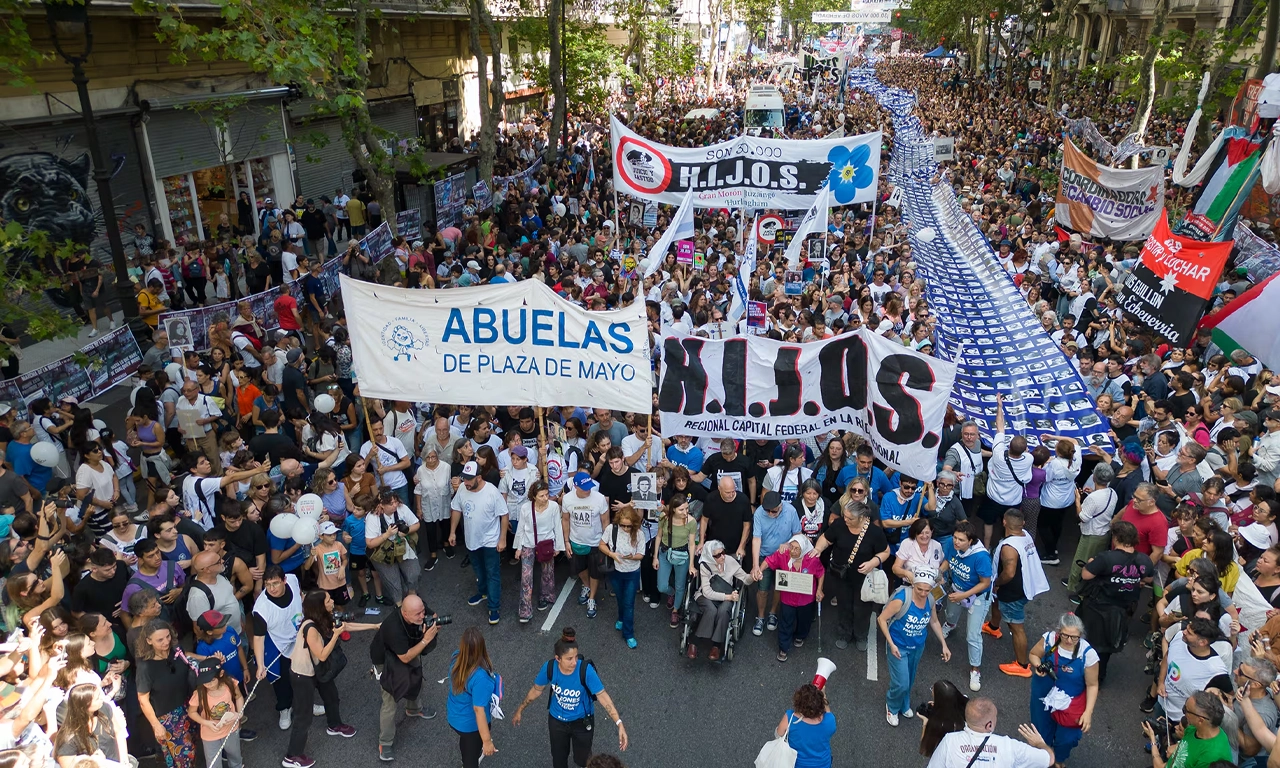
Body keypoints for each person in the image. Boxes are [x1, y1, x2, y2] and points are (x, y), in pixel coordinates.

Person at [283, 589, 378, 768]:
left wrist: (374, 626)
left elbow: (345, 626)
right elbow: (323, 654)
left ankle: (334, 725)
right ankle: (292, 755)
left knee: (332, 697)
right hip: (303, 675)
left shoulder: (324, 617)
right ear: (320, 606)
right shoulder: (310, 627)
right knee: (303, 716)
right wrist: (335, 635)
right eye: (328, 599)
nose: (332, 601)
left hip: (317, 669)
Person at [512, 628, 629, 768]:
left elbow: (602, 696)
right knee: (559, 758)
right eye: (569, 659)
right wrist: (520, 709)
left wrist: (619, 723)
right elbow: (536, 690)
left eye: (576, 657)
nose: (574, 662)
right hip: (557, 723)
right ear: (557, 659)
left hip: (582, 723)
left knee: (584, 760)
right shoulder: (549, 668)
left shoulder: (585, 670)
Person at [1077, 520, 1155, 681]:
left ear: (1116, 538)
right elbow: (1148, 578)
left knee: (1086, 639)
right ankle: (1099, 675)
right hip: (1122, 610)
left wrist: (1090, 564)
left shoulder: (1106, 558)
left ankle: (1081, 672)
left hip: (1096, 607)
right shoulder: (1144, 560)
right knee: (1106, 645)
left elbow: (1086, 575)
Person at [812, 500, 890, 651]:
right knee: (844, 605)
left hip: (863, 578)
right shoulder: (840, 524)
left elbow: (885, 551)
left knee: (863, 608)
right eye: (845, 516)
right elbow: (826, 539)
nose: (845, 520)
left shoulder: (874, 532)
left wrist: (873, 562)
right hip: (841, 575)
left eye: (850, 518)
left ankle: (861, 635)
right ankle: (844, 634)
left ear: (861, 518)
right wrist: (818, 549)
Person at [371, 595, 441, 762]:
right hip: (386, 659)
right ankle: (385, 743)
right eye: (418, 614)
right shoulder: (393, 627)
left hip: (406, 648)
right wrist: (426, 639)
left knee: (416, 675)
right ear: (405, 613)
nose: (422, 616)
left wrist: (432, 623)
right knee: (390, 700)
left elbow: (435, 615)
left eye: (423, 612)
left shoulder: (418, 608)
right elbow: (405, 658)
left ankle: (414, 709)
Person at [879, 566, 952, 726]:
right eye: (920, 589)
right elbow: (882, 619)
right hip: (898, 645)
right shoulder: (901, 599)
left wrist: (944, 645)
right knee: (901, 682)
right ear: (913, 585)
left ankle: (904, 704)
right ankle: (892, 706)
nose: (924, 593)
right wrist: (891, 644)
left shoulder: (931, 599)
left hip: (917, 646)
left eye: (927, 590)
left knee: (910, 678)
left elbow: (933, 621)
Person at [984, 508, 1050, 678]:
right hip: (1024, 584)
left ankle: (1022, 664)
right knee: (996, 601)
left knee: (1016, 626)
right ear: (1023, 524)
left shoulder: (1008, 547)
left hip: (1014, 591)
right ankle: (993, 626)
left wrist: (996, 582)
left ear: (1004, 522)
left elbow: (1009, 573)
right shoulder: (1025, 535)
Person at [1026, 613, 1099, 765]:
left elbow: (1092, 685)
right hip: (1043, 694)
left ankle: (1058, 759)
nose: (1069, 641)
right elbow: (1033, 654)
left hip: (1070, 703)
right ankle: (1044, 757)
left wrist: (1088, 712)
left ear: (1081, 636)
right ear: (1058, 631)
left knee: (1067, 737)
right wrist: (1038, 665)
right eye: (1065, 635)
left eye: (1074, 637)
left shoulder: (1088, 655)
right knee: (1041, 730)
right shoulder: (1049, 640)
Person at [450, 460, 509, 624]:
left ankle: (493, 607)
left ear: (480, 477)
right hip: (471, 539)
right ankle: (483, 592)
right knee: (478, 569)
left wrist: (502, 539)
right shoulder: (462, 488)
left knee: (492, 573)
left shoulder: (492, 492)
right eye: (464, 478)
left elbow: (504, 515)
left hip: (490, 541)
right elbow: (456, 509)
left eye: (469, 479)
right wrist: (452, 532)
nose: (466, 482)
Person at [136, 619, 197, 768]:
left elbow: (186, 656)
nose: (166, 642)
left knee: (192, 748)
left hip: (189, 705)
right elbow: (143, 699)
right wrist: (156, 725)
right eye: (160, 640)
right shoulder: (145, 667)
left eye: (168, 636)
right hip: (168, 716)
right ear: (149, 641)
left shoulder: (175, 649)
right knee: (184, 756)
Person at [926, 697, 1054, 768]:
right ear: (989, 725)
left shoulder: (949, 741)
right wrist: (1039, 743)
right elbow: (1048, 759)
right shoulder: (1009, 746)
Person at [942, 521, 993, 692]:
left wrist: (963, 596)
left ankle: (975, 669)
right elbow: (948, 561)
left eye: (961, 540)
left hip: (976, 597)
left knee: (972, 635)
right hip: (956, 589)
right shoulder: (951, 544)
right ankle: (950, 625)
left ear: (970, 541)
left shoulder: (981, 557)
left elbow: (985, 583)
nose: (956, 542)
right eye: (955, 537)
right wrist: (937, 572)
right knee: (950, 615)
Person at [252, 568, 304, 731]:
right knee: (282, 680)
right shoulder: (261, 609)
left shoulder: (293, 579)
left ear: (284, 580)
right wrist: (260, 665)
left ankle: (305, 702)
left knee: (303, 674)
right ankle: (284, 708)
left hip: (298, 636)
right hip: (277, 645)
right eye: (267, 585)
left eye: (275, 583)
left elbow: (300, 595)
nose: (272, 588)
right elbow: (258, 638)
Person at [761, 534, 825, 662]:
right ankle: (783, 648)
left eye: (797, 549)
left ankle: (800, 636)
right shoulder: (783, 554)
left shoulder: (812, 559)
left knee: (804, 620)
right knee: (786, 621)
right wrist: (759, 569)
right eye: (792, 547)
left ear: (804, 549)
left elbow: (821, 572)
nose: (793, 551)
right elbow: (769, 561)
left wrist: (819, 589)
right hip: (787, 598)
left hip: (806, 599)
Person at [688, 539, 754, 661]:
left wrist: (753, 576)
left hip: (726, 593)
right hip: (706, 595)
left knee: (724, 610)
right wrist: (727, 597)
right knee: (711, 610)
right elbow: (707, 592)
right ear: (710, 556)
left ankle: (716, 646)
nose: (722, 556)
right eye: (718, 555)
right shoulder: (705, 564)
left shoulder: (730, 561)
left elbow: (745, 578)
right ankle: (694, 641)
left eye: (723, 552)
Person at [447, 626, 499, 768]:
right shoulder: (481, 677)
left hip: (455, 717)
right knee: (471, 760)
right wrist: (487, 741)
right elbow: (478, 710)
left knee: (466, 742)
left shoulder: (455, 658)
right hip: (471, 725)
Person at [751, 489, 802, 636]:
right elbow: (756, 538)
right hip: (765, 555)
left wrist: (788, 544)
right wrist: (755, 565)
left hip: (784, 557)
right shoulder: (760, 513)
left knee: (780, 587)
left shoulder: (791, 511)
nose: (769, 514)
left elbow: (797, 534)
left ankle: (773, 612)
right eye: (767, 511)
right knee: (762, 589)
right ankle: (760, 617)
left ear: (781, 506)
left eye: (773, 511)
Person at [1143, 690, 1232, 768]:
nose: (1184, 713)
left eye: (1186, 710)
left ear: (1200, 720)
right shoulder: (1196, 729)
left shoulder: (1211, 757)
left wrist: (1153, 740)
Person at [515, 480, 564, 623]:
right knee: (526, 578)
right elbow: (521, 528)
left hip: (547, 544)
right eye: (542, 495)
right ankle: (525, 610)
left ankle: (546, 597)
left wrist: (558, 547)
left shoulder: (554, 507)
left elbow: (557, 527)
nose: (545, 498)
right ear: (534, 496)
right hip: (528, 544)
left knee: (548, 573)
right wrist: (518, 547)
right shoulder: (525, 508)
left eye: (547, 494)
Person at [598, 505, 647, 649]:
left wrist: (631, 557)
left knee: (629, 603)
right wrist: (611, 554)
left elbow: (641, 555)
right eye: (623, 525)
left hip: (632, 572)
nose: (625, 529)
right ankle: (621, 618)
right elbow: (602, 544)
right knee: (620, 598)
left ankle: (629, 634)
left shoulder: (639, 534)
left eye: (628, 526)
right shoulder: (611, 529)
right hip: (616, 570)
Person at [365, 489, 422, 608]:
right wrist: (386, 534)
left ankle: (412, 596)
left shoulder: (402, 508)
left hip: (402, 546)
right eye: (391, 504)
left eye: (395, 501)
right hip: (383, 551)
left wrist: (406, 531)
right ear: (381, 505)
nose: (395, 505)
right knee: (393, 581)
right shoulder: (372, 516)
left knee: (414, 573)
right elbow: (370, 543)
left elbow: (416, 524)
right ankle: (400, 606)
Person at [187, 658, 245, 768]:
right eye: (205, 681)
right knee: (213, 763)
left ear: (221, 674)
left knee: (235, 757)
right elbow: (192, 712)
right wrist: (206, 723)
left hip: (231, 729)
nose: (208, 684)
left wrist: (240, 713)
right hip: (210, 734)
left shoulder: (230, 684)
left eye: (212, 680)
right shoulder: (199, 693)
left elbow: (239, 697)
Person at [654, 493, 698, 627]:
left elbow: (691, 544)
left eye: (686, 508)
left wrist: (691, 565)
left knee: (681, 585)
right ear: (673, 509)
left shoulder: (691, 522)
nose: (685, 512)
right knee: (661, 586)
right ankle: (670, 593)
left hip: (682, 555)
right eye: (681, 509)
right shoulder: (664, 518)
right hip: (665, 552)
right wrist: (655, 557)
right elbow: (659, 536)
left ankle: (675, 610)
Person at [772, 683, 836, 768]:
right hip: (823, 764)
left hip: (797, 764)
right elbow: (828, 712)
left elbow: (778, 734)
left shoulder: (790, 717)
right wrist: (823, 695)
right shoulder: (829, 721)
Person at [918, 679, 968, 758]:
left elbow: (926, 746)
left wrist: (925, 723)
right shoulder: (967, 707)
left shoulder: (938, 724)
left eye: (932, 690)